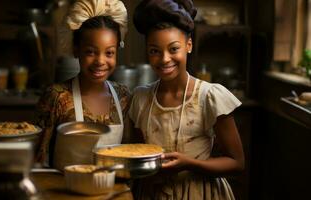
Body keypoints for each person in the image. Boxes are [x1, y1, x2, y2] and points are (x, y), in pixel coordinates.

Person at [129, 0, 245, 199]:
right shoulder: (141, 99)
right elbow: (138, 155)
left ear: (188, 45)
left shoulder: (209, 97)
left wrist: (190, 163)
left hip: (200, 192)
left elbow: (237, 163)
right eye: (155, 51)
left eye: (173, 49)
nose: (165, 59)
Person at [35, 0, 130, 169]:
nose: (100, 61)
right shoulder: (57, 97)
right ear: (76, 50)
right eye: (90, 52)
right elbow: (37, 159)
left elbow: (129, 153)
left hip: (113, 193)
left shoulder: (123, 96)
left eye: (109, 53)